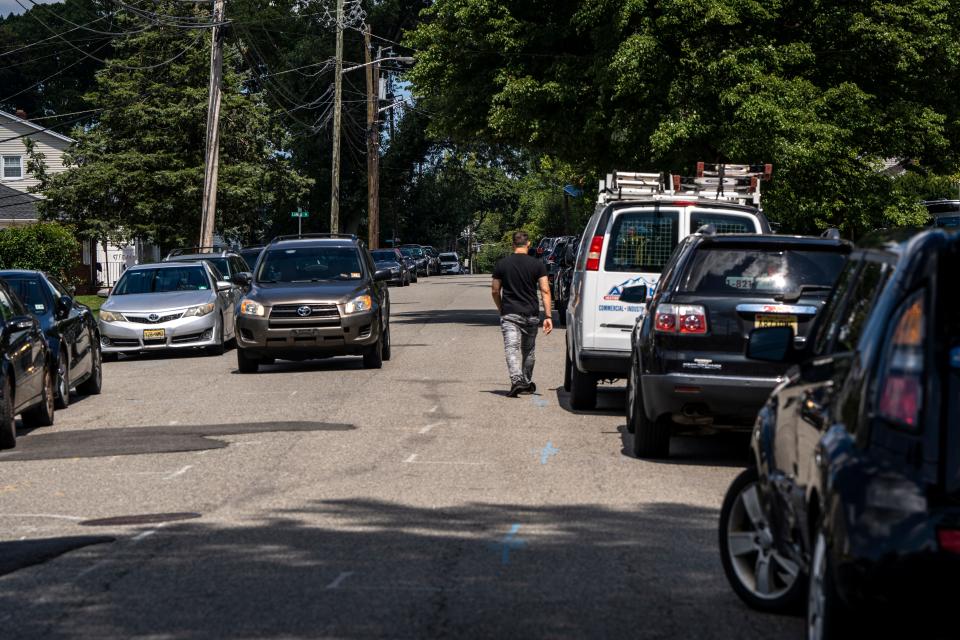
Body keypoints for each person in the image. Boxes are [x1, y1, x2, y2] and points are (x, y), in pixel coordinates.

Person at [491, 231, 553, 397]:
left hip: (510, 313)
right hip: (531, 314)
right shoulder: (537, 265)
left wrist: (501, 308)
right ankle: (525, 382)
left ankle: (517, 380)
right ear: (529, 244)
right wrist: (548, 316)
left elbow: (495, 290)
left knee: (511, 349)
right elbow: (545, 290)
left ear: (513, 245)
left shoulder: (502, 264)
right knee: (529, 350)